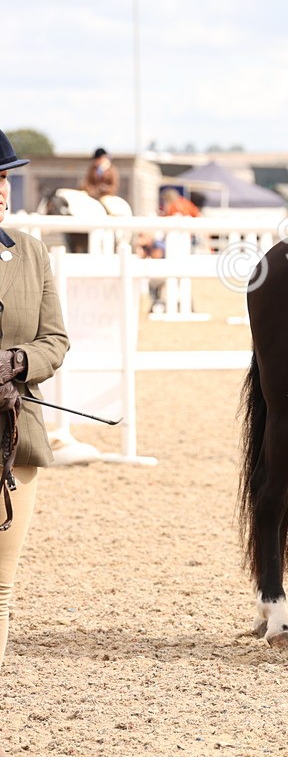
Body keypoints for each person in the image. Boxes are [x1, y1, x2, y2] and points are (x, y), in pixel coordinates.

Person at [0, 127, 70, 755]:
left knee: (2, 580)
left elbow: (55, 339)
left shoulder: (31, 253)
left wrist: (19, 363)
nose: (1, 190)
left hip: (14, 433)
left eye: (3, 179)